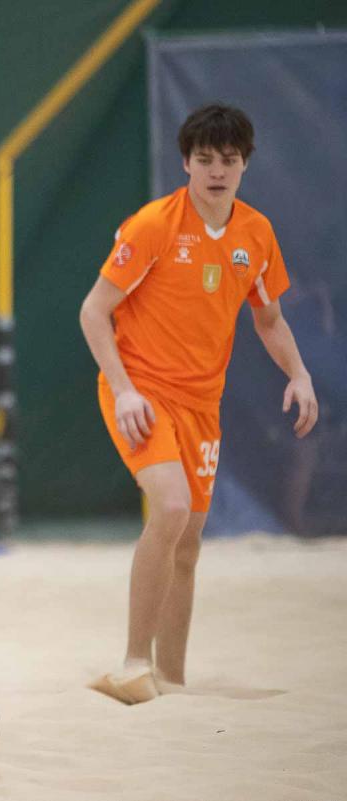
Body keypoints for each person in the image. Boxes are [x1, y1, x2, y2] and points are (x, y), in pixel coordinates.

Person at [79, 104, 318, 704]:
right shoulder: (154, 226)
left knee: (188, 543)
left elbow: (269, 319)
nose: (216, 171)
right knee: (170, 507)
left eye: (228, 160)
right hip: (140, 391)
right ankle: (133, 664)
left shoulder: (255, 234)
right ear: (185, 162)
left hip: (201, 404)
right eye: (205, 159)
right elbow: (94, 311)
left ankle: (172, 682)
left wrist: (299, 375)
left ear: (244, 165)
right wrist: (124, 389)